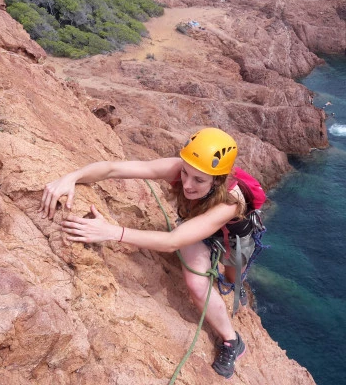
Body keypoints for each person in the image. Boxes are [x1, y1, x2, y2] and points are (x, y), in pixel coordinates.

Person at [39, 127, 253, 379]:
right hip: (197, 223)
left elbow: (172, 241)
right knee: (197, 286)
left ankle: (235, 285)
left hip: (234, 237)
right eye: (185, 173)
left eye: (198, 180)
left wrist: (110, 232)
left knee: (232, 276)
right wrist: (73, 177)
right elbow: (113, 169)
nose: (186, 184)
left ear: (217, 180)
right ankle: (232, 339)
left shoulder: (230, 202)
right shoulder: (182, 168)